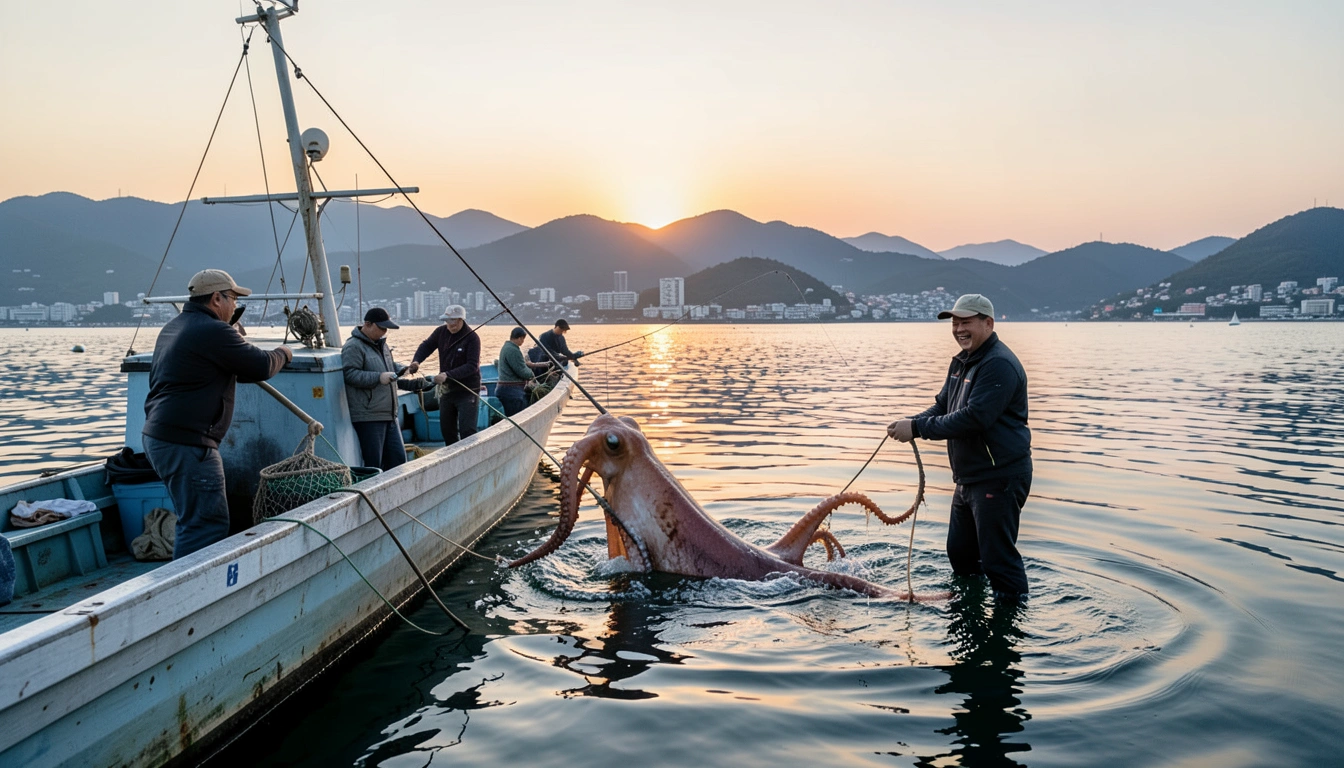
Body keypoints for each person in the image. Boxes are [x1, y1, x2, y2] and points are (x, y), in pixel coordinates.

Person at [887, 293, 1032, 600]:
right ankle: (971, 610)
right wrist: (911, 423)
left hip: (998, 477)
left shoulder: (999, 365)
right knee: (961, 555)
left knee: (998, 561)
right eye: (954, 323)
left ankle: (1011, 615)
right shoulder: (962, 362)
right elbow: (943, 406)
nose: (958, 329)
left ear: (988, 323)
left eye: (966, 322)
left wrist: (917, 429)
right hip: (969, 478)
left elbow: (974, 419)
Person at [142, 269, 292, 559]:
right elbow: (261, 366)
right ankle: (189, 586)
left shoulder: (175, 326)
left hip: (159, 437)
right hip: (188, 443)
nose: (235, 305)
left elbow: (239, 370)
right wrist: (284, 353)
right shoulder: (212, 331)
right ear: (216, 299)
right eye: (233, 298)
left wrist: (233, 342)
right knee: (206, 525)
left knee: (192, 519)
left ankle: (182, 580)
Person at [342, 307, 440, 470]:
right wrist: (378, 377)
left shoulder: (382, 345)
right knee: (374, 463)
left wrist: (405, 370)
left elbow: (391, 368)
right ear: (367, 324)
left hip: (390, 414)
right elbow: (349, 374)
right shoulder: (353, 346)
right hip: (369, 417)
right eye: (381, 328)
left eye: (386, 328)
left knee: (398, 460)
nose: (384, 331)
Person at [408, 305, 480, 445]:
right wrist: (416, 361)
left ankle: (470, 454)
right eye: (447, 321)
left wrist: (448, 375)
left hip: (467, 391)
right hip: (447, 391)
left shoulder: (472, 338)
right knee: (447, 430)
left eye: (453, 321)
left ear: (461, 320)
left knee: (467, 431)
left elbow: (472, 366)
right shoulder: (440, 332)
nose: (450, 325)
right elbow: (427, 346)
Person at [496, 326, 550, 417]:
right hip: (512, 392)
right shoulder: (513, 350)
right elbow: (522, 371)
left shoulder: (506, 347)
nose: (523, 341)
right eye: (523, 339)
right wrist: (531, 375)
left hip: (504, 389)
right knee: (519, 417)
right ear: (520, 338)